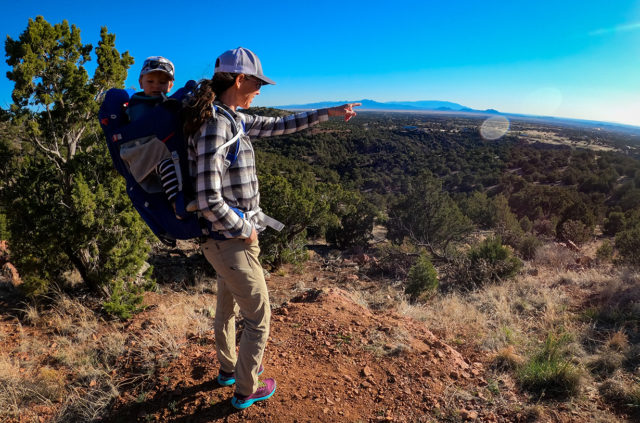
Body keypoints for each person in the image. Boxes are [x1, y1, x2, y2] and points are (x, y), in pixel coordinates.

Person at [182, 47, 360, 410]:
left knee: (227, 309)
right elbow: (206, 198)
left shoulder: (232, 118)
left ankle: (230, 370)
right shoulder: (216, 125)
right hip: (230, 241)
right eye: (258, 83)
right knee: (259, 317)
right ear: (239, 79)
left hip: (224, 242)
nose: (261, 90)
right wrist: (245, 230)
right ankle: (247, 389)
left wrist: (328, 112)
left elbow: (280, 125)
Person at [125, 56, 185, 216]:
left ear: (170, 85)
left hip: (158, 152)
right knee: (167, 165)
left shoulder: (168, 102)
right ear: (140, 82)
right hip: (141, 154)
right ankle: (176, 204)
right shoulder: (137, 103)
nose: (156, 86)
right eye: (150, 81)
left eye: (163, 83)